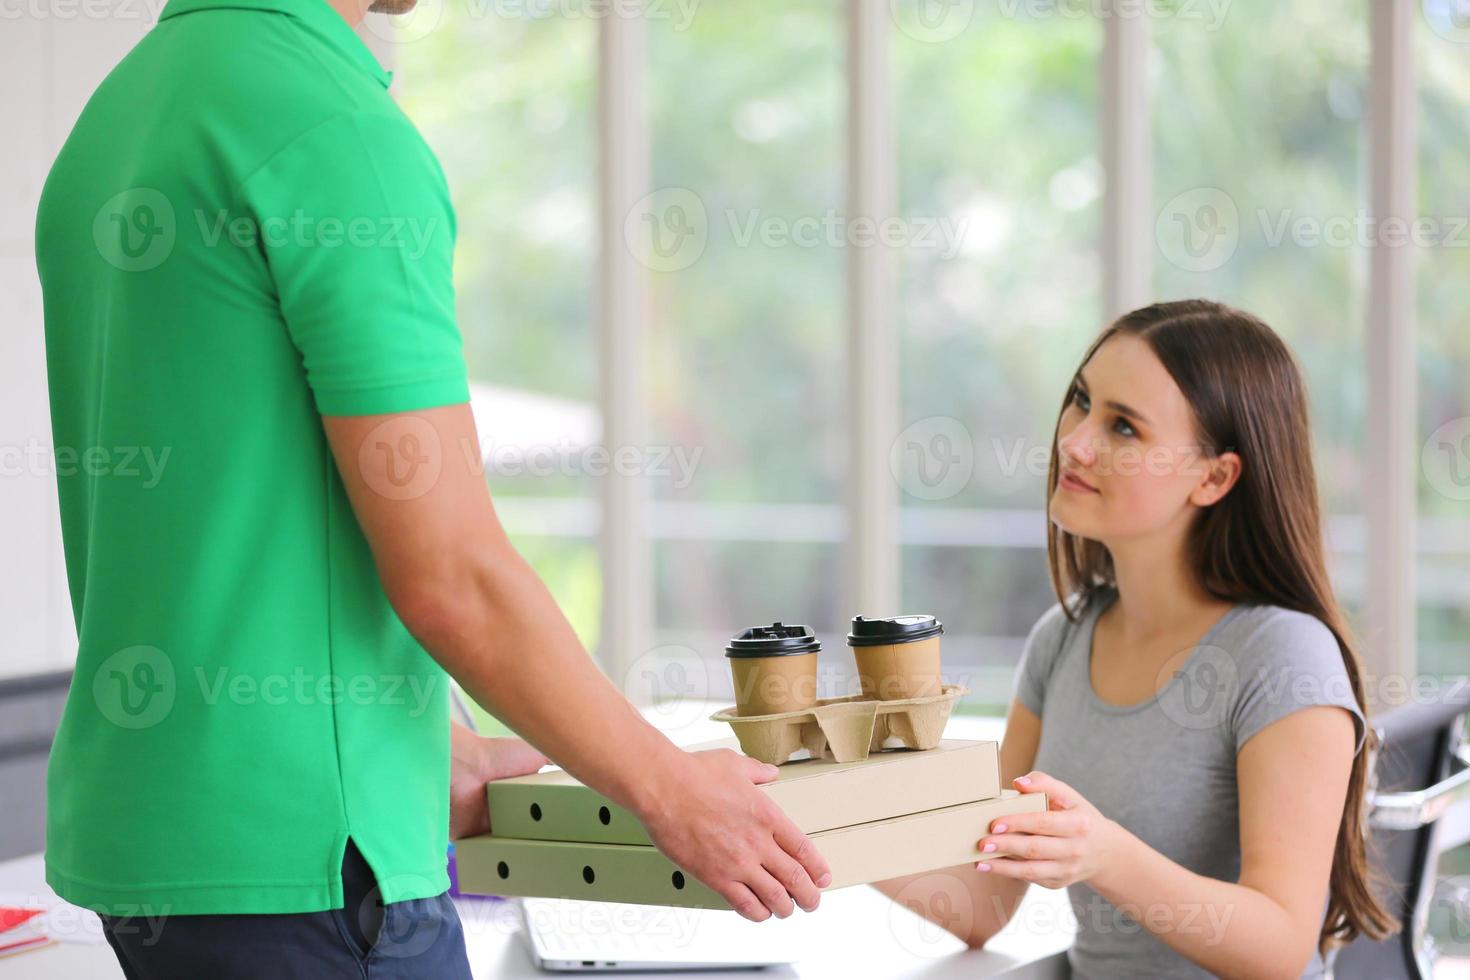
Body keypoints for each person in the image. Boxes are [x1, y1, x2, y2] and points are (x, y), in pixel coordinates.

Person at [34, 0, 828, 975]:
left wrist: (424, 739)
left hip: (158, 847)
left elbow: (236, 508)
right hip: (316, 871)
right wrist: (669, 787)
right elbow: (450, 572)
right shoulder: (334, 134)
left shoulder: (124, 114)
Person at [877, 300, 1396, 977]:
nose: (1076, 441)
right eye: (1082, 402)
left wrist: (1106, 855)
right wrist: (811, 826)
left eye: (1123, 426)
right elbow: (982, 901)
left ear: (1215, 477)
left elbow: (1281, 944)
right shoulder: (1062, 639)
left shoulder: (1282, 657)